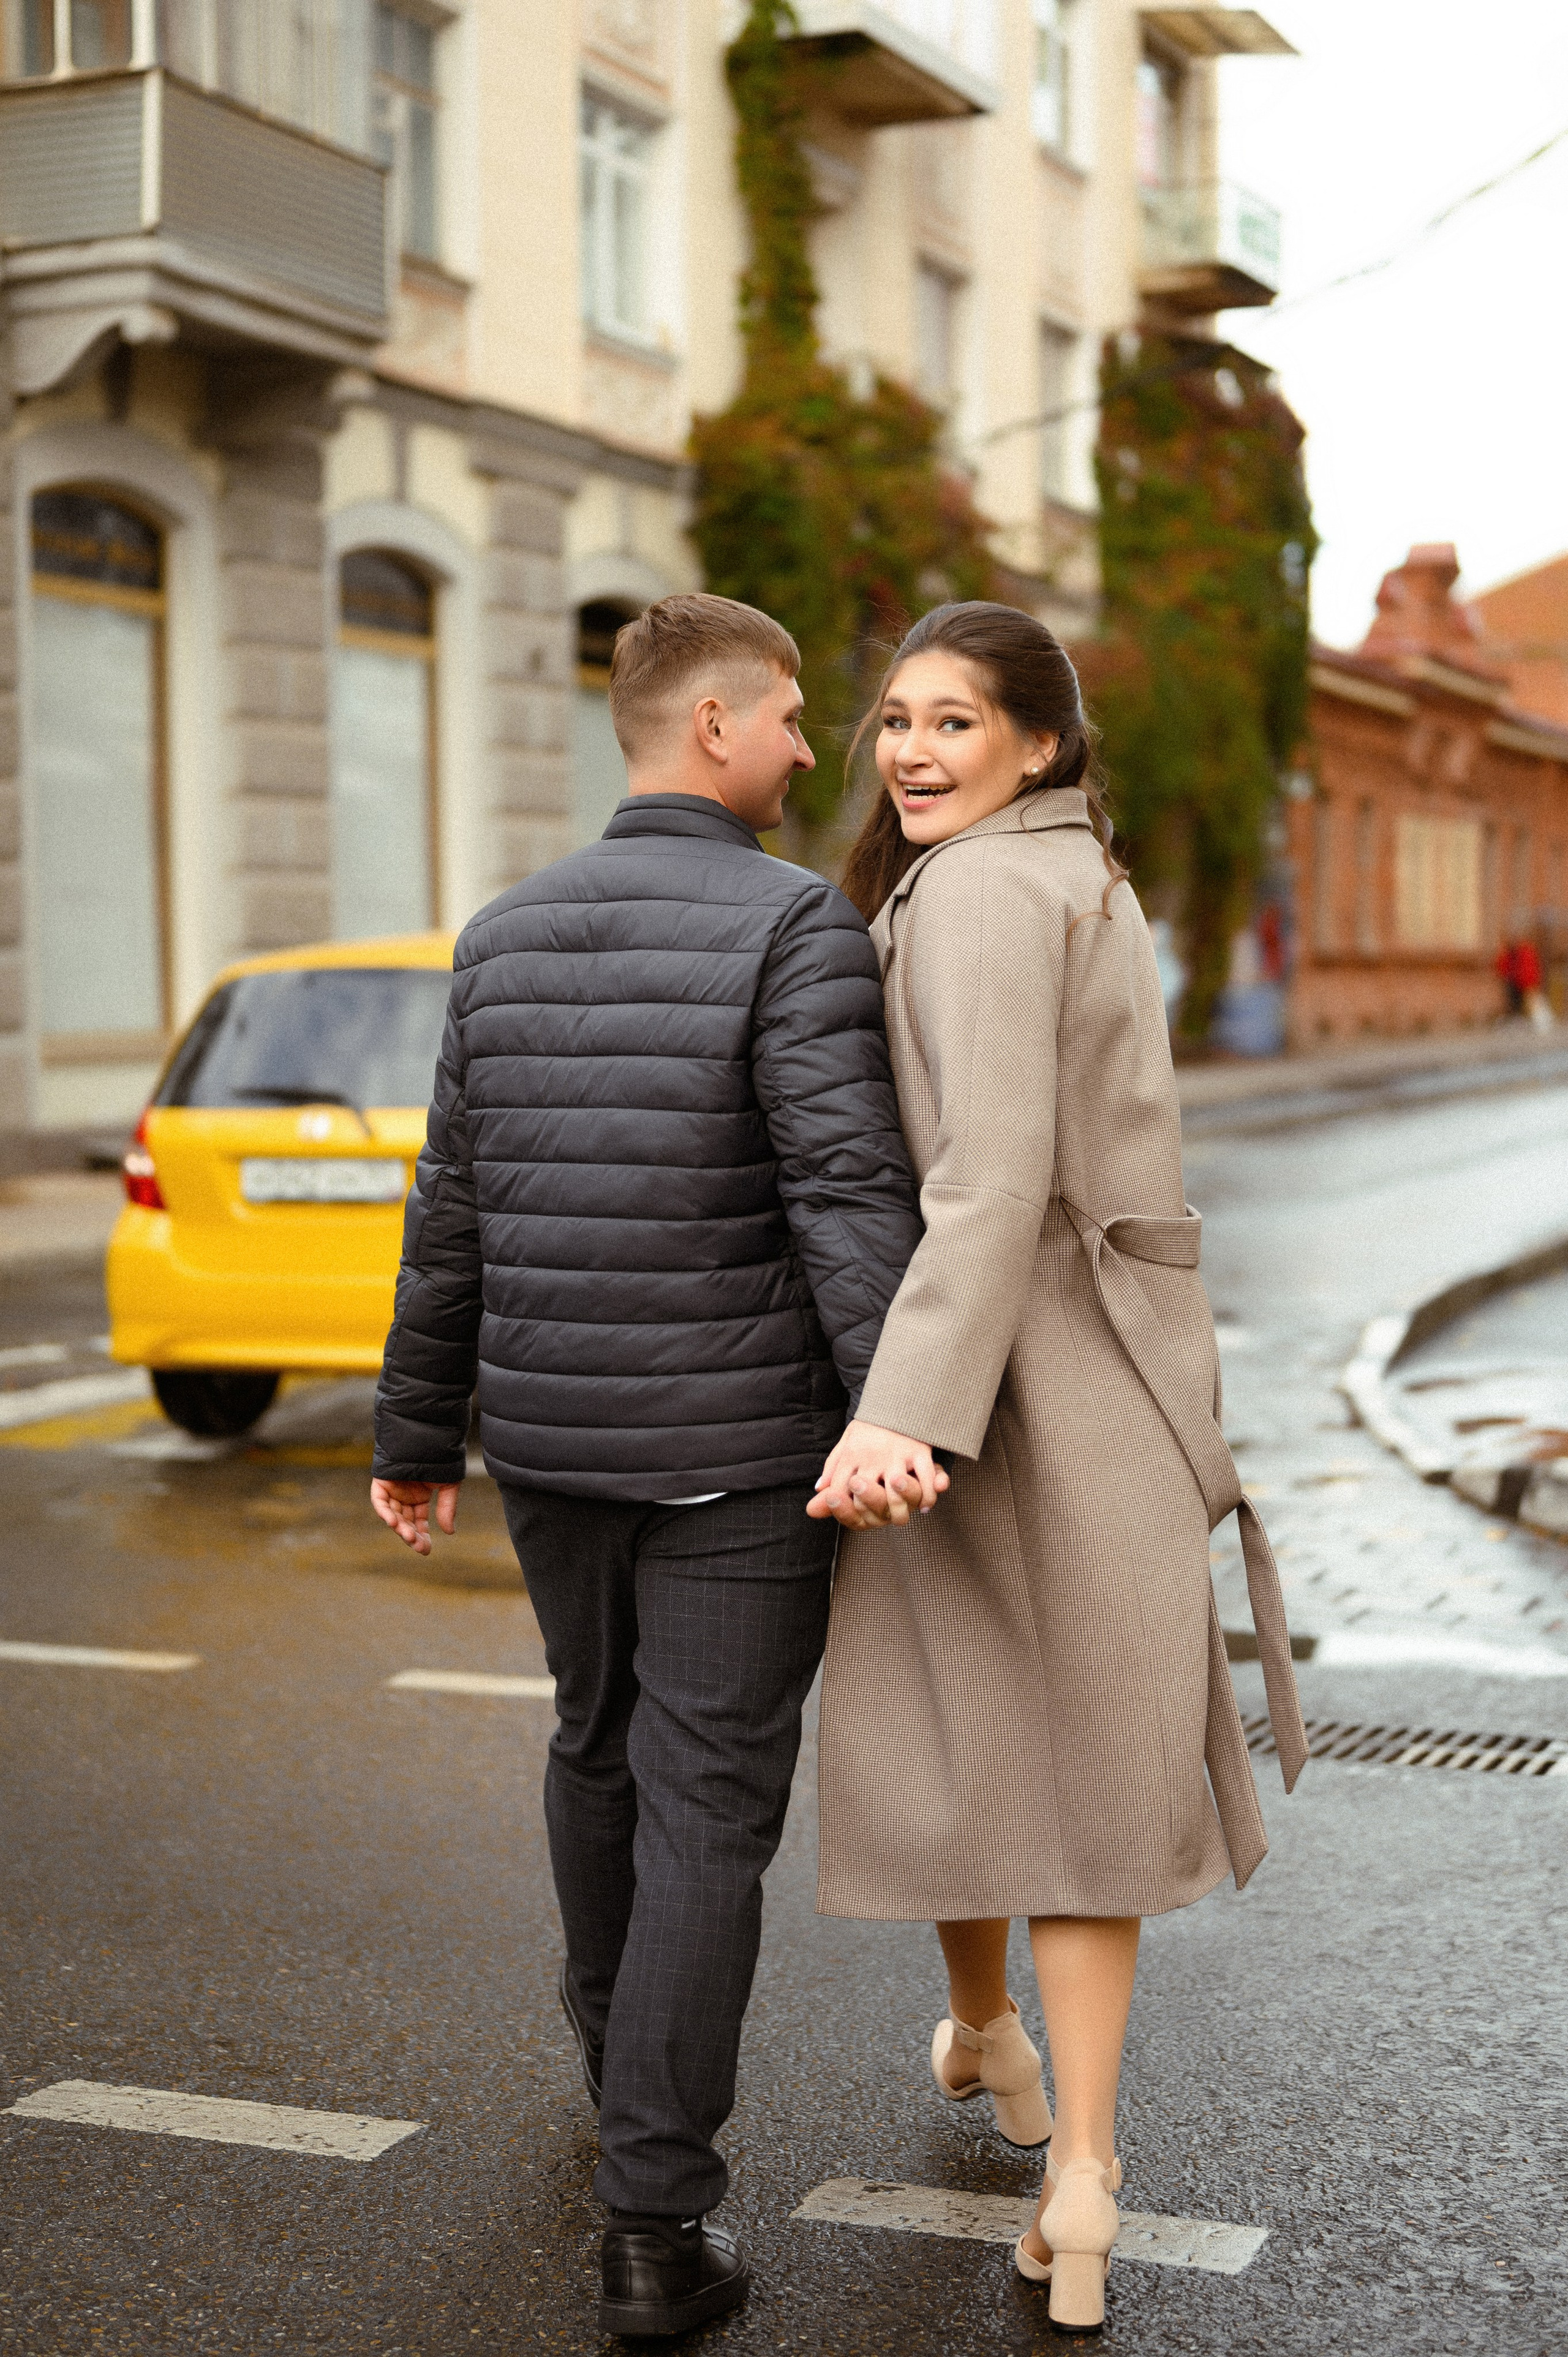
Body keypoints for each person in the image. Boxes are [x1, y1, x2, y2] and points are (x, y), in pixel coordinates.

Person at [368, 593, 940, 2340]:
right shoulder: (796, 928)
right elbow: (848, 1197)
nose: (800, 751)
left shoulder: (504, 931)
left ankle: (623, 2077)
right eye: (783, 719)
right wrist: (892, 1412)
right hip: (741, 1463)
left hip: (551, 1450)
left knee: (594, 1750)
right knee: (705, 1811)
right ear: (710, 726)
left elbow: (450, 1204)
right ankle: (654, 2224)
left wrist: (415, 1429)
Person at [808, 602, 1307, 2334]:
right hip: (1113, 1388)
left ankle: (1001, 2048)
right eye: (892, 720)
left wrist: (907, 1409)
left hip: (996, 1380)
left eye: (955, 722)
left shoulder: (974, 898)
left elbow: (994, 1176)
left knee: (961, 1728)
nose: (914, 750)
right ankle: (1067, 2150)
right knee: (1079, 1767)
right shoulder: (1077, 877)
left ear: (1040, 741)